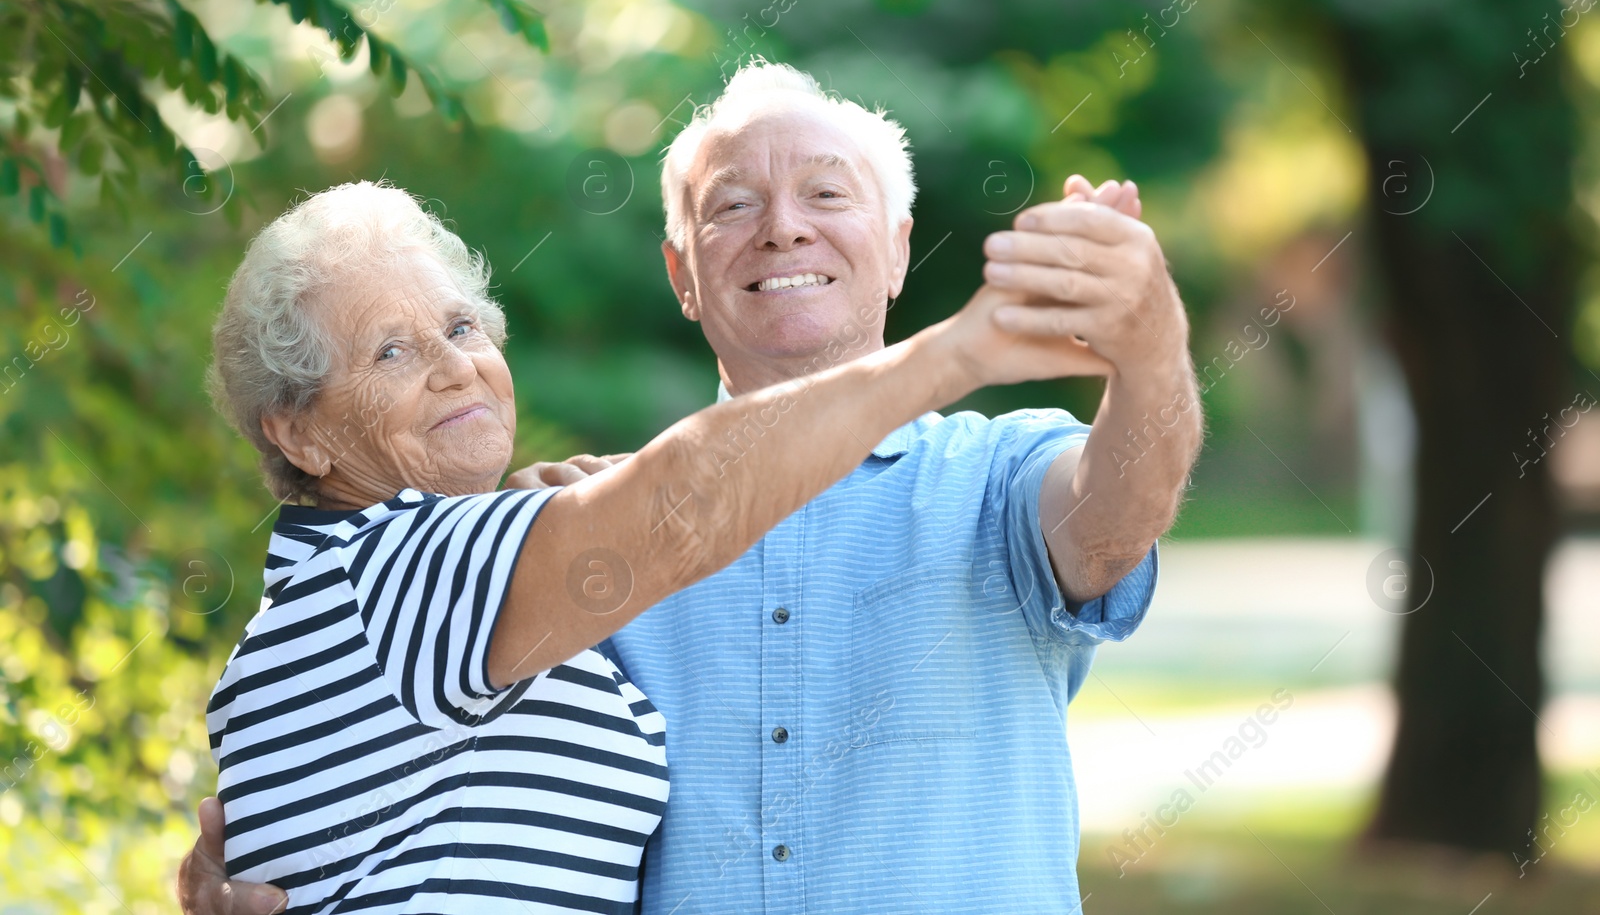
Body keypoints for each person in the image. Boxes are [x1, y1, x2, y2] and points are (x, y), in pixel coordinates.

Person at [182, 64, 1201, 913]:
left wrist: (1149, 348)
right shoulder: (583, 533)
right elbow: (673, 510)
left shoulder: (993, 470)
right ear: (681, 272)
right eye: (734, 205)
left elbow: (1112, 523)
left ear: (897, 248)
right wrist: (963, 345)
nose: (783, 229)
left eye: (827, 192)